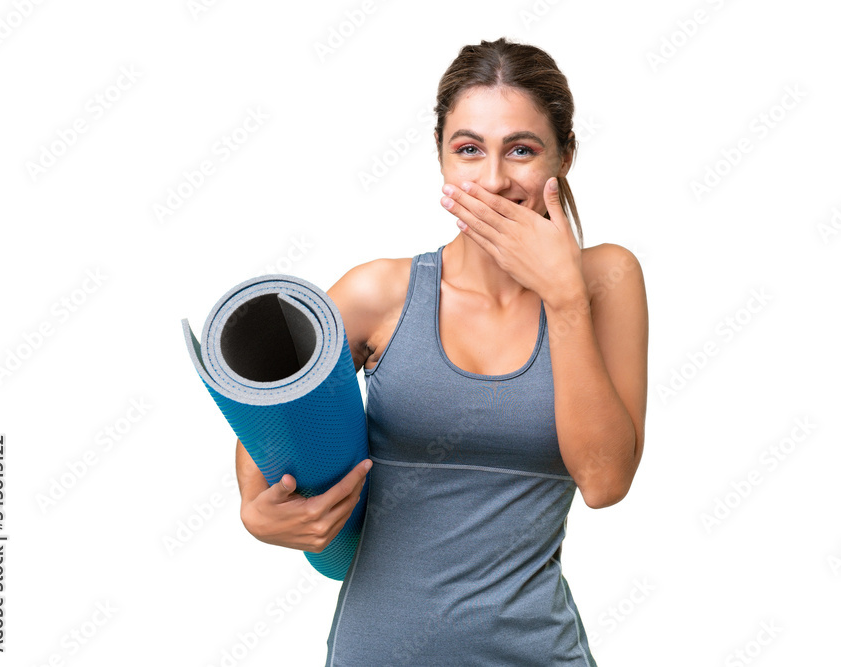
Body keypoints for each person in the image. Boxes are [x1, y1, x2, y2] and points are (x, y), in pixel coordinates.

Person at [235, 36, 648, 665]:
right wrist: (257, 514)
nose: (493, 180)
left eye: (522, 150)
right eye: (469, 150)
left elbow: (605, 479)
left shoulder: (605, 281)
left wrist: (563, 299)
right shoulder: (380, 293)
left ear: (564, 156)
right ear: (440, 158)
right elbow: (268, 421)